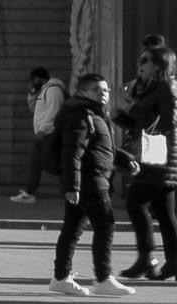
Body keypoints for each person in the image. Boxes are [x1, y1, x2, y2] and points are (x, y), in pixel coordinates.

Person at [50, 69, 126, 297]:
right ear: (83, 92)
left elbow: (102, 147)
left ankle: (61, 278)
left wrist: (125, 160)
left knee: (72, 228)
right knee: (105, 225)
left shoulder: (94, 113)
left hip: (93, 177)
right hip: (90, 179)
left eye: (106, 90)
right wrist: (72, 186)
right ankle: (102, 278)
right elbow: (72, 152)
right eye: (97, 90)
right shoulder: (80, 115)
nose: (104, 94)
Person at [118, 38, 175, 281]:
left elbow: (169, 122)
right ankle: (173, 262)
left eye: (144, 61)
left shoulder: (166, 88)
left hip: (161, 156)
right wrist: (120, 115)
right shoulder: (152, 88)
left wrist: (132, 108)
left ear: (158, 64)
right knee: (163, 211)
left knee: (135, 203)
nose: (139, 65)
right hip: (155, 154)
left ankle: (146, 258)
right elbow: (141, 123)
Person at [19, 68, 72, 205]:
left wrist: (42, 131)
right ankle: (30, 193)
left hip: (50, 134)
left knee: (53, 164)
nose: (32, 82)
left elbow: (54, 112)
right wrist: (32, 92)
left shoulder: (53, 90)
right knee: (41, 163)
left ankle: (67, 192)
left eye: (34, 79)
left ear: (41, 78)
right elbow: (33, 107)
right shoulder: (44, 90)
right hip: (46, 134)